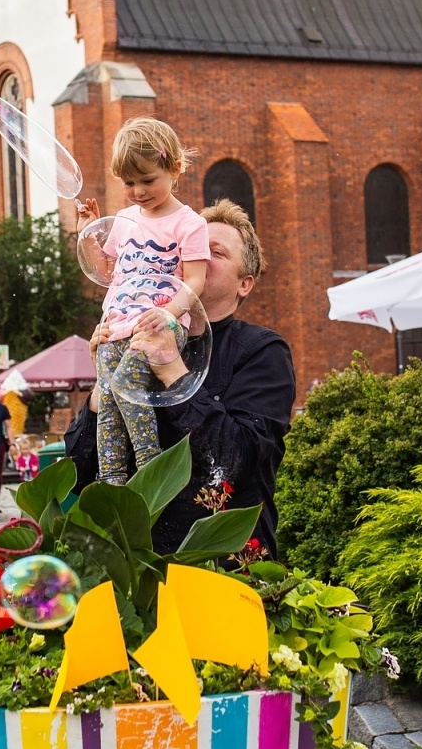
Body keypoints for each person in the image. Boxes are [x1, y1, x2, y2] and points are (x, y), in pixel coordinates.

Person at [65, 199, 294, 558]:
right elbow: (79, 474)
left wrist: (173, 369)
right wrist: (103, 384)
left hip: (220, 565)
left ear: (244, 284)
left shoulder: (261, 351)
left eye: (213, 251)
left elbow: (237, 460)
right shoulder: (130, 342)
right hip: (139, 564)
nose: (195, 257)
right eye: (190, 248)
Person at [74, 118, 210, 485]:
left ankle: (150, 471)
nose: (138, 191)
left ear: (175, 168)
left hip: (159, 328)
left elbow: (196, 279)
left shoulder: (189, 223)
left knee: (124, 386)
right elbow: (105, 269)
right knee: (107, 402)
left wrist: (168, 314)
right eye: (129, 183)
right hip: (115, 325)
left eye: (148, 180)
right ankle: (113, 481)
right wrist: (87, 232)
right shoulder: (124, 218)